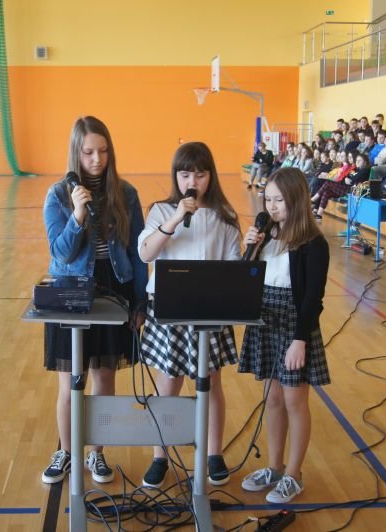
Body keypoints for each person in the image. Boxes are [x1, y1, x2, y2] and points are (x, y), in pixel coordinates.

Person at [41, 116, 148, 485]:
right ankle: (67, 451)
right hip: (70, 289)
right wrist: (77, 214)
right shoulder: (57, 195)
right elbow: (62, 252)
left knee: (104, 378)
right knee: (71, 381)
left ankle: (96, 453)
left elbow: (137, 253)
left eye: (103, 151)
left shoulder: (126, 193)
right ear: (76, 152)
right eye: (88, 152)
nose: (97, 160)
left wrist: (140, 303)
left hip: (114, 288)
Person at [137, 141, 242, 488]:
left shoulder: (224, 217)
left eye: (200, 174)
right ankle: (160, 455)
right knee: (168, 383)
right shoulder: (160, 211)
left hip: (209, 308)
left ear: (211, 176)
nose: (192, 182)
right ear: (176, 177)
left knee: (210, 382)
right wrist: (176, 218)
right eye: (185, 175)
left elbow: (233, 266)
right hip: (169, 307)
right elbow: (146, 254)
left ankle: (214, 453)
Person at [238, 167, 330, 504]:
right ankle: (274, 468)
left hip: (294, 325)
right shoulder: (266, 236)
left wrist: (299, 340)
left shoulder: (313, 244)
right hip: (266, 322)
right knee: (273, 399)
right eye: (268, 199)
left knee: (294, 401)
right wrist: (249, 248)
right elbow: (245, 276)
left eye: (279, 200)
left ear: (296, 200)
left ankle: (294, 474)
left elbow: (313, 298)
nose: (272, 206)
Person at [312, 153, 370, 220]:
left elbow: (352, 180)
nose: (357, 162)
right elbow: (345, 178)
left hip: (351, 190)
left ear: (365, 162)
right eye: (357, 160)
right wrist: (346, 179)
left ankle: (313, 199)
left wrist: (347, 179)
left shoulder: (365, 170)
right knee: (326, 192)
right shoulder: (355, 169)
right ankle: (319, 215)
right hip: (345, 187)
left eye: (359, 160)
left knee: (328, 183)